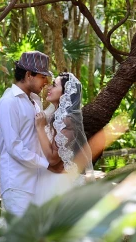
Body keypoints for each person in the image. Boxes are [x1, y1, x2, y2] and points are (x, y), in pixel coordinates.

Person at [0, 51, 64, 221]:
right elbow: (14, 147)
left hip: (37, 182)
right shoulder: (9, 102)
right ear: (28, 75)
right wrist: (47, 165)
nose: (46, 82)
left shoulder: (34, 100)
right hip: (17, 183)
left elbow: (41, 126)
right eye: (42, 76)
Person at [34, 72, 94, 205]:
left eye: (54, 85)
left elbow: (53, 159)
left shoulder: (67, 120)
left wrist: (39, 128)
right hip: (51, 180)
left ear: (65, 94)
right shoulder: (53, 116)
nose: (49, 88)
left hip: (61, 185)